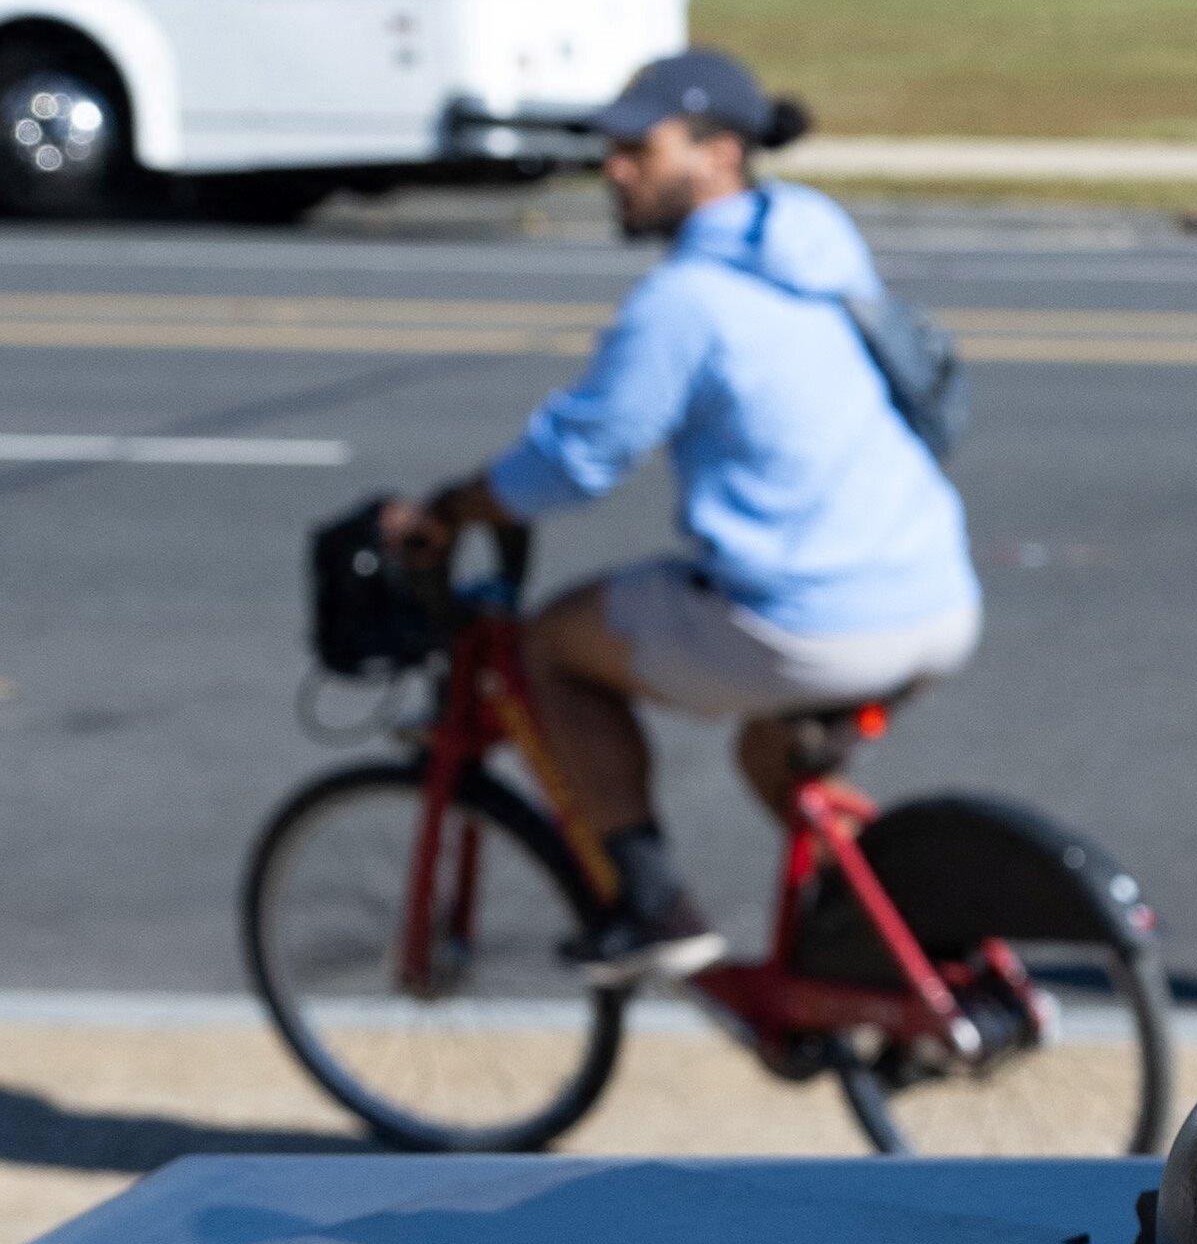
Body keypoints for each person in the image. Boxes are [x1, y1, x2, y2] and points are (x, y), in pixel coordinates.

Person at [361, 48, 977, 978]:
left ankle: (655, 910)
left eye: (636, 149)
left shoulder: (684, 303)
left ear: (720, 152)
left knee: (547, 649)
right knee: (773, 754)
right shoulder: (810, 232)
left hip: (813, 621)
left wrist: (452, 508)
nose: (614, 170)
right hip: (936, 596)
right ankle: (905, 948)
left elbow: (574, 461)